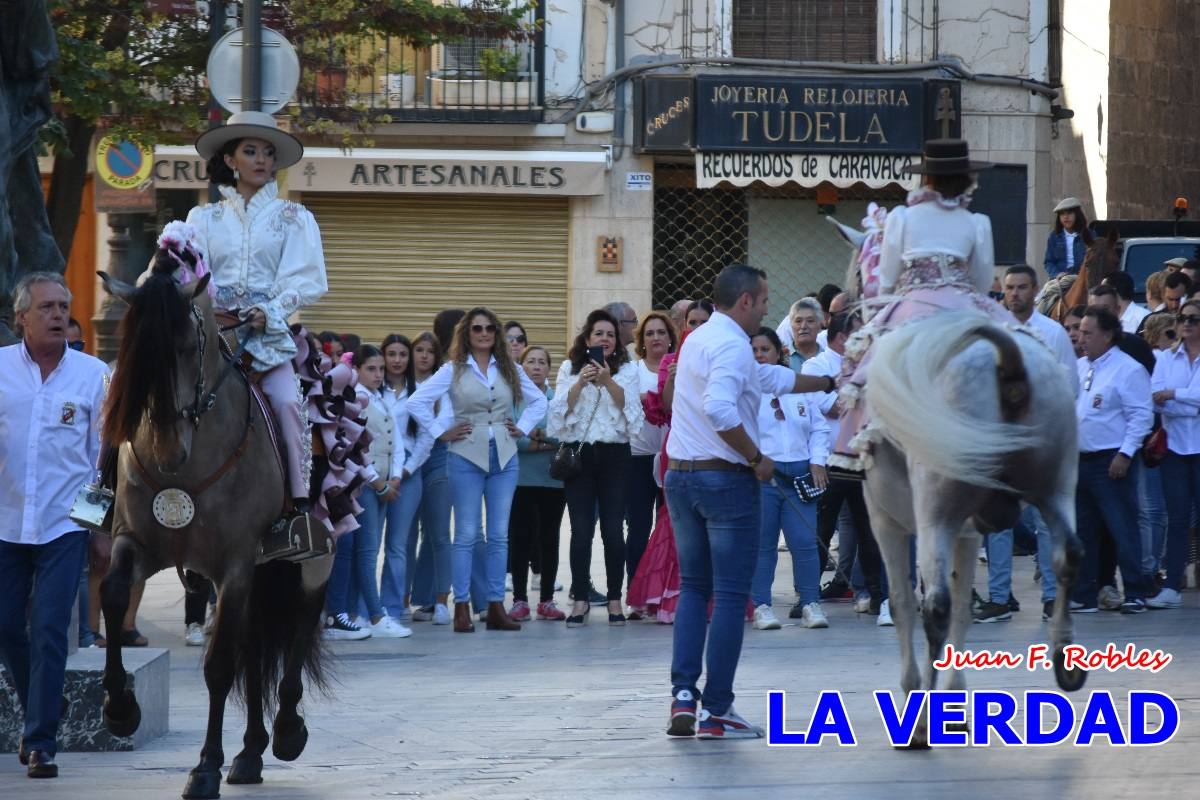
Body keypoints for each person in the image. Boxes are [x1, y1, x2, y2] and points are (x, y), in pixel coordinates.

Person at [664, 263, 836, 740]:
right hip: (725, 481)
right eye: (762, 301)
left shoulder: (699, 339)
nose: (766, 309)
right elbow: (722, 407)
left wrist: (825, 383)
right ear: (745, 302)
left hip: (682, 477)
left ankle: (683, 696)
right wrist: (756, 457)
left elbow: (768, 381)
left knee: (696, 590)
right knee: (731, 595)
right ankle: (716, 708)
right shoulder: (731, 344)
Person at [833, 139, 1012, 470]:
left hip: (914, 302)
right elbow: (983, 281)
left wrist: (891, 300)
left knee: (869, 361)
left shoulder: (902, 217)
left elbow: (887, 277)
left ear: (926, 178)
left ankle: (867, 437)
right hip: (965, 302)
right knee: (1017, 347)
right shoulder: (977, 222)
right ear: (967, 178)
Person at [189, 110, 327, 517]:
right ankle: (108, 492)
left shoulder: (294, 218)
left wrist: (271, 311)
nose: (262, 159)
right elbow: (186, 267)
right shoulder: (203, 218)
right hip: (210, 334)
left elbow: (305, 279)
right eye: (251, 151)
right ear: (230, 160)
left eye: (268, 152)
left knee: (287, 403)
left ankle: (297, 506)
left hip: (265, 338)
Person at [0, 272, 108, 778]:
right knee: (5, 626)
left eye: (63, 306)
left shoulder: (92, 375)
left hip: (65, 525)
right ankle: (43, 705)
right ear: (21, 316)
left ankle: (41, 741)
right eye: (46, 307)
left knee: (48, 627)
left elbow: (102, 462)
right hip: (4, 521)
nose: (58, 315)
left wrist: (99, 529)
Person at [407, 308, 546, 633]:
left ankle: (496, 606)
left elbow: (539, 401)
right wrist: (443, 429)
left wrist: (522, 427)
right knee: (467, 533)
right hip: (465, 454)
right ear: (466, 333)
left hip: (505, 453)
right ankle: (462, 607)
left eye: (489, 329)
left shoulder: (509, 367)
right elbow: (417, 402)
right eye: (476, 329)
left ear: (496, 333)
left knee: (498, 535)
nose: (483, 334)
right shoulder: (453, 369)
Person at [548, 309, 646, 627]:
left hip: (616, 456)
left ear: (617, 342)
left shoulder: (628, 369)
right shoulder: (569, 367)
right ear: (587, 338)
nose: (604, 339)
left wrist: (607, 381)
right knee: (580, 531)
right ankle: (580, 600)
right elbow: (558, 414)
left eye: (610, 334)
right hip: (580, 456)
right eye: (598, 334)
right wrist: (581, 382)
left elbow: (633, 413)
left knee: (614, 531)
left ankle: (615, 598)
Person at [802, 310, 887, 623]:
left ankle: (876, 595)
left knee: (868, 531)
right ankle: (808, 597)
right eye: (858, 332)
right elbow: (831, 409)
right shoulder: (817, 366)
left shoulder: (867, 365)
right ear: (841, 337)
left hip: (862, 459)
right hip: (827, 461)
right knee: (821, 531)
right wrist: (856, 387)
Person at [323, 345, 411, 640]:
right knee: (365, 552)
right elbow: (352, 448)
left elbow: (396, 439)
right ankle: (373, 614)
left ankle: (355, 612)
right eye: (371, 369)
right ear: (357, 369)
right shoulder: (355, 398)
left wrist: (396, 475)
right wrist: (377, 482)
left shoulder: (381, 398)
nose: (378, 374)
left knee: (365, 551)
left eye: (380, 369)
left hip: (384, 485)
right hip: (363, 487)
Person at [748, 328, 831, 631]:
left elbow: (819, 428)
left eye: (765, 350)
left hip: (799, 475)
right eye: (754, 351)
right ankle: (761, 605)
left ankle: (810, 602)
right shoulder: (746, 390)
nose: (759, 356)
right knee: (763, 544)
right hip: (764, 476)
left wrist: (817, 462)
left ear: (779, 352)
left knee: (804, 542)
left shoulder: (800, 387)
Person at [1072, 306, 1153, 614]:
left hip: (1111, 460)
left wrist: (1125, 453)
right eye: (1080, 331)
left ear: (1107, 336)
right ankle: (1085, 593)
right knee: (1083, 530)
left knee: (1122, 527)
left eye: (1088, 332)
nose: (1081, 338)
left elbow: (1141, 416)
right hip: (1080, 459)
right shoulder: (1080, 367)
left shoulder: (1128, 369)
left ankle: (1135, 591)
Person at [375, 334, 434, 623]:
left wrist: (405, 472)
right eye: (392, 354)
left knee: (397, 545)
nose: (397, 360)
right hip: (374, 478)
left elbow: (426, 438)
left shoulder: (420, 392)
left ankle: (393, 606)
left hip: (408, 478)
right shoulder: (372, 390)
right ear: (383, 356)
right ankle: (365, 607)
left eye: (402, 354)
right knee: (370, 545)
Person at [508, 346, 567, 621]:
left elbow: (564, 437)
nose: (536, 366)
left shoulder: (558, 400)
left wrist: (535, 436)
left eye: (542, 362)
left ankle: (546, 599)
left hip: (552, 481)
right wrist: (545, 441)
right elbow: (513, 439)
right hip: (520, 479)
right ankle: (519, 599)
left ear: (549, 368)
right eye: (530, 361)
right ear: (522, 366)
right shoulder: (514, 400)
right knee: (520, 539)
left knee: (549, 540)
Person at [1148, 299, 1200, 609]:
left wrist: (1175, 395)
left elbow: (1168, 396)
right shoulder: (1167, 359)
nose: (1186, 324)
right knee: (1178, 518)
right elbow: (1155, 399)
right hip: (1176, 450)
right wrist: (1185, 402)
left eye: (1193, 319)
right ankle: (1172, 585)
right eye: (1182, 318)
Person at [407, 329, 457, 626]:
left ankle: (439, 600)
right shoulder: (398, 384)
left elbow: (448, 418)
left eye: (429, 351)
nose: (423, 355)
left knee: (438, 533)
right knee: (406, 535)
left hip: (438, 458)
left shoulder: (442, 383)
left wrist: (442, 432)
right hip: (408, 464)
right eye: (419, 350)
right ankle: (401, 599)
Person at [626, 311, 677, 594]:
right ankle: (635, 591)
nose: (656, 337)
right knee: (638, 527)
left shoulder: (679, 368)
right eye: (649, 333)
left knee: (669, 529)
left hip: (674, 459)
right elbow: (624, 402)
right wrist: (648, 398)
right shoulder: (633, 372)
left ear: (670, 338)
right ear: (641, 341)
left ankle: (663, 592)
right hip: (638, 459)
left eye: (661, 332)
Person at [1043, 197, 1092, 277]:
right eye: (1062, 214)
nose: (1066, 217)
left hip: (1084, 278)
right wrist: (1057, 274)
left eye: (1069, 213)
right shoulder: (1054, 236)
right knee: (1046, 290)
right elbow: (1049, 262)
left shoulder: (1090, 234)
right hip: (1060, 279)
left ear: (1077, 214)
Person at [784, 298, 824, 372]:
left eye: (810, 321)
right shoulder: (781, 357)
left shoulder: (826, 357)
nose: (803, 326)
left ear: (819, 325)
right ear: (791, 325)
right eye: (798, 321)